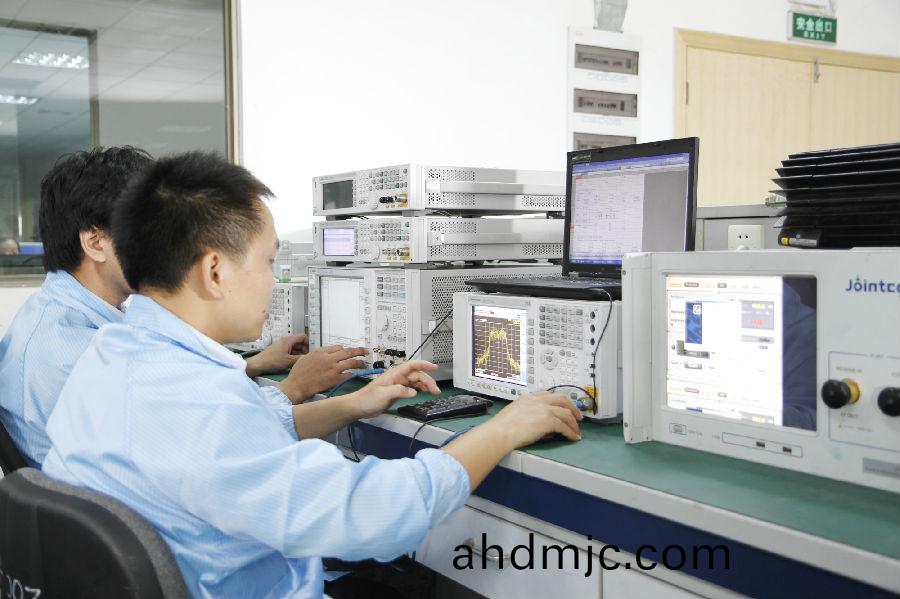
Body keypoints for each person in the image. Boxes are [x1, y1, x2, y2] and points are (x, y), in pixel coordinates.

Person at [42, 152, 582, 599]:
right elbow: (377, 515)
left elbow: (229, 444)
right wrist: (502, 429)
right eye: (269, 262)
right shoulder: (202, 407)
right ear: (215, 271)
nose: (273, 282)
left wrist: (353, 403)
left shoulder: (111, 354)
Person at [0, 147, 359, 468]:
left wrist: (252, 364)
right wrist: (293, 388)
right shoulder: (75, 352)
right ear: (95, 243)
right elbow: (207, 439)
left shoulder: (56, 314)